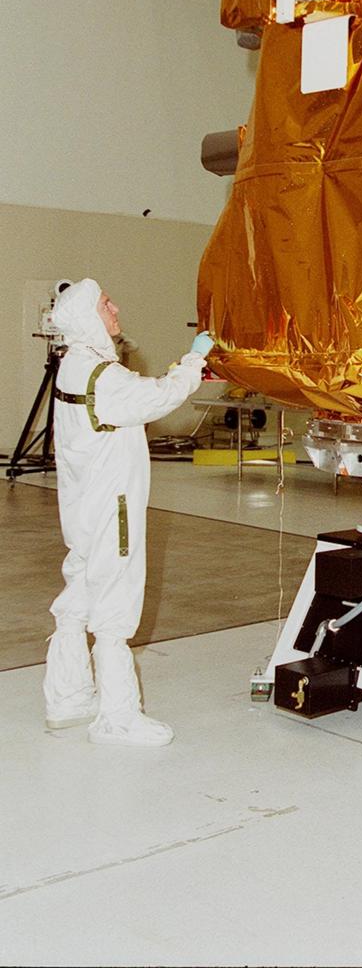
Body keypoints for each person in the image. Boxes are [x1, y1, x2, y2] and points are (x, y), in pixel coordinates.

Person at [43, 278, 214, 747]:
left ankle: (67, 696)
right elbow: (159, 396)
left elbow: (135, 392)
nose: (115, 308)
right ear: (86, 318)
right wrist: (195, 360)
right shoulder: (104, 377)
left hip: (81, 504)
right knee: (115, 603)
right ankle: (118, 718)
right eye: (105, 304)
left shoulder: (74, 365)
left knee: (80, 590)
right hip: (112, 505)